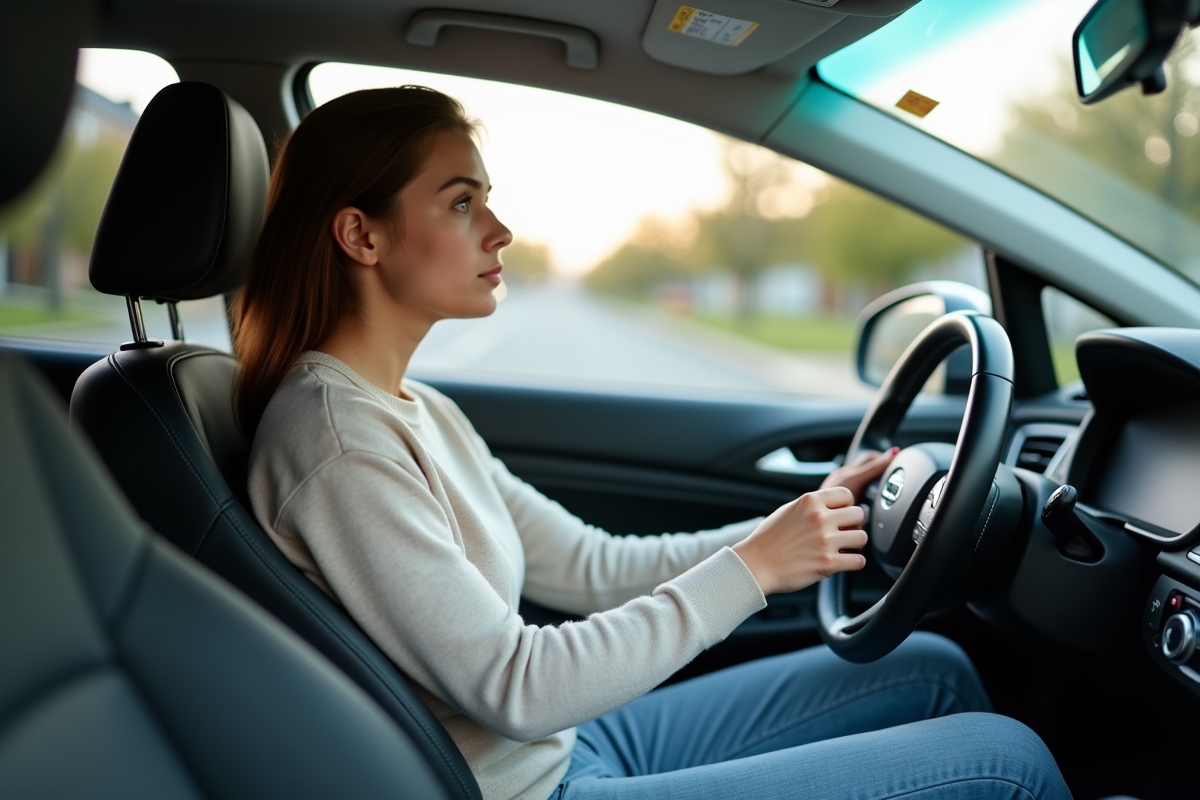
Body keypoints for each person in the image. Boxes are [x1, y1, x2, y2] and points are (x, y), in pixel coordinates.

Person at [235, 86, 1072, 800]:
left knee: (930, 670)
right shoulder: (338, 444)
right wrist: (756, 569)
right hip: (531, 787)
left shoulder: (415, 408)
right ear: (362, 236)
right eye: (461, 203)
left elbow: (594, 564)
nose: (500, 230)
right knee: (1010, 766)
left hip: (568, 747)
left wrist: (801, 529)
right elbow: (517, 686)